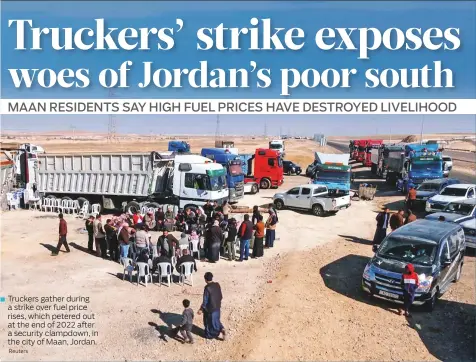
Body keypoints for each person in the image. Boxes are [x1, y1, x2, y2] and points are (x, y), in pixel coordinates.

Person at [198, 272, 226, 340]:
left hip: (210, 309)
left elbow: (205, 300)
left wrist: (201, 309)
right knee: (216, 320)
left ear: (205, 279)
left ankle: (209, 335)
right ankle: (222, 328)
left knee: (208, 322)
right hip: (217, 307)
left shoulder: (207, 288)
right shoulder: (217, 285)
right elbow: (221, 296)